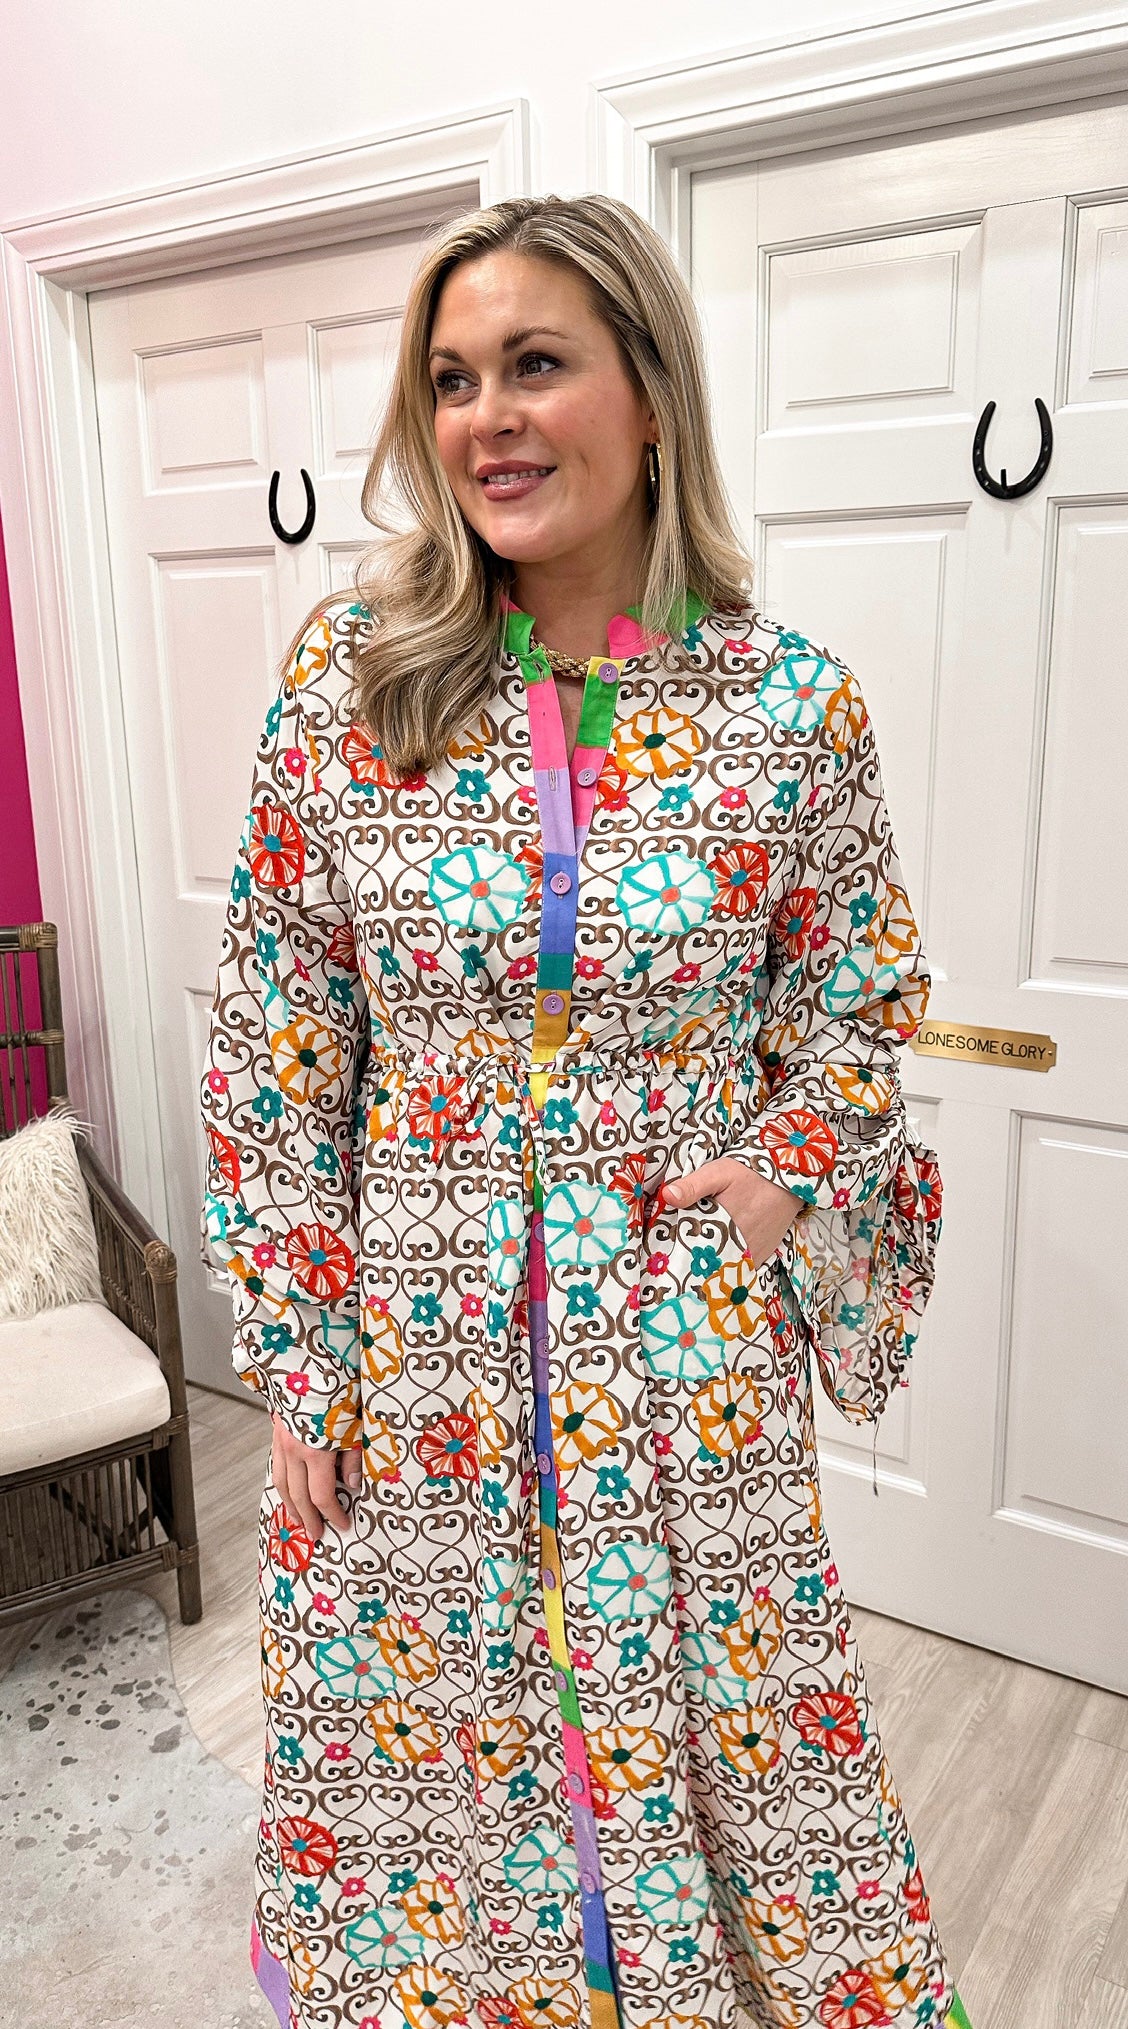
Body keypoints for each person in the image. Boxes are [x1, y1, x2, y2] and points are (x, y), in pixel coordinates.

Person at [201, 192, 970, 2029]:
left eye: (535, 364)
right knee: (443, 1779)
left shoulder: (788, 705)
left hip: (681, 1351)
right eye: (452, 379)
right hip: (420, 1358)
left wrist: (785, 1167)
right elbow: (274, 1039)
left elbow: (859, 999)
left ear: (649, 391)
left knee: (734, 1762)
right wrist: (305, 1353)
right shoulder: (350, 684)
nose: (489, 419)